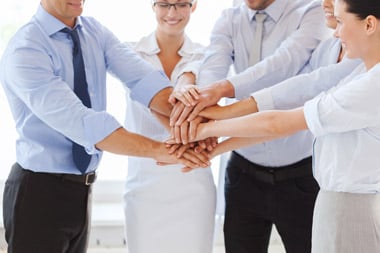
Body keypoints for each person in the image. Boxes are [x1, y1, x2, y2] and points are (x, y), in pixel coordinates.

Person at [0, 1, 210, 253]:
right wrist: (165, 149)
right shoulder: (26, 48)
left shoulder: (93, 32)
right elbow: (84, 122)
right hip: (38, 193)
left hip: (81, 190)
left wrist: (195, 128)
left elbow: (144, 81)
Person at [188, 0, 380, 252]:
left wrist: (203, 129)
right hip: (333, 201)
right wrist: (215, 126)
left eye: (341, 21)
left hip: (351, 205)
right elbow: (304, 87)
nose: (336, 31)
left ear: (369, 24)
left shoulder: (369, 84)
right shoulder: (356, 72)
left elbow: (279, 123)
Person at [170, 1, 330, 252]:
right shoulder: (229, 18)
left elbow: (283, 63)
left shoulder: (310, 12)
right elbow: (213, 66)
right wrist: (201, 113)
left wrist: (220, 92)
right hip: (243, 175)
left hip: (301, 177)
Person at [122, 1, 216, 253]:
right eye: (164, 4)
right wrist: (182, 132)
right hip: (143, 184)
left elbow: (206, 118)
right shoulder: (130, 53)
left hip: (193, 183)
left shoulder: (206, 57)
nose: (172, 13)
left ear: (193, 5)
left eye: (181, 4)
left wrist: (191, 73)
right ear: (152, 5)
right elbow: (148, 99)